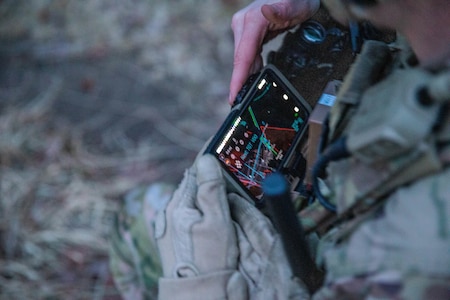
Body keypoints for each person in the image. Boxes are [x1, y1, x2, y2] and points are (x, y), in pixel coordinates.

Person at [109, 0, 450, 299]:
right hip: (337, 216)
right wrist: (335, 11)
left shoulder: (417, 255)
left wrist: (200, 281)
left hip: (326, 263)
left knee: (142, 216)